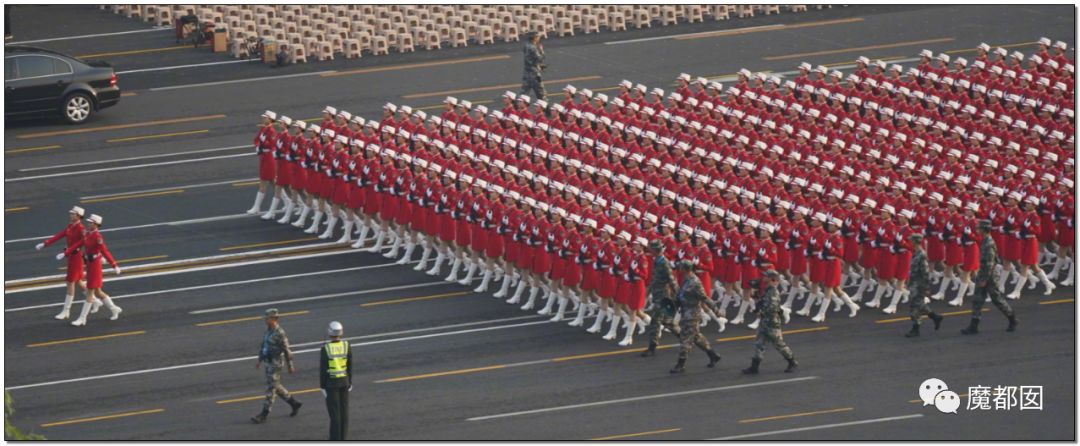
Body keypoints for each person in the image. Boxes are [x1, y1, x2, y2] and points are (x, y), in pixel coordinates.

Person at [60, 214, 122, 326]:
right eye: (89, 222)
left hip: (95, 266)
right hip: (89, 264)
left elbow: (105, 251)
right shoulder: (87, 234)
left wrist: (114, 265)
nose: (89, 224)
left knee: (90, 291)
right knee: (98, 291)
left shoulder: (98, 237)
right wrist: (66, 252)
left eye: (91, 223)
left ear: (97, 225)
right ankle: (114, 309)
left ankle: (82, 318)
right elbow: (78, 244)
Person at [961, 220, 1018, 334]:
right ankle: (974, 325)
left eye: (979, 228)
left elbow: (990, 263)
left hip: (989, 275)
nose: (977, 230)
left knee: (997, 299)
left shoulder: (989, 243)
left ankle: (1012, 319)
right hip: (983, 273)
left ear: (984, 229)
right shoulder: (985, 240)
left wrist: (984, 279)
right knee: (977, 300)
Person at [36, 206, 89, 320]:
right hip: (71, 256)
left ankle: (66, 311)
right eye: (71, 214)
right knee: (79, 281)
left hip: (76, 257)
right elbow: (60, 235)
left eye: (73, 214)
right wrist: (45, 243)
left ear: (79, 216)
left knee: (70, 282)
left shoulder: (81, 228)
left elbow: (81, 243)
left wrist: (66, 252)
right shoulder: (71, 225)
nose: (70, 215)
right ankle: (94, 300)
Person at [669, 260, 722, 373]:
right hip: (685, 311)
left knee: (685, 338)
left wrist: (716, 310)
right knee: (696, 337)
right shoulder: (686, 279)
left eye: (681, 267)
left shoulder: (695, 282)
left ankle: (681, 363)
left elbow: (705, 298)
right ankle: (713, 355)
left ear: (686, 269)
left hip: (692, 314)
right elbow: (682, 294)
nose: (679, 269)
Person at [252, 308, 302, 424]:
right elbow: (264, 345)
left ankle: (264, 414)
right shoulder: (268, 330)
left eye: (267, 318)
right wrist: (260, 359)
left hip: (276, 364)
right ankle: (294, 403)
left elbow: (287, 350)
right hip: (268, 362)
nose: (265, 320)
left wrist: (290, 365)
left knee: (271, 388)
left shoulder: (280, 333)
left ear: (274, 319)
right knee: (276, 386)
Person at [743, 270, 798, 374]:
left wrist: (761, 312)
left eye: (766, 276)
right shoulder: (767, 290)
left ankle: (792, 361)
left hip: (772, 323)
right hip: (765, 322)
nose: (763, 277)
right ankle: (754, 367)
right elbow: (762, 303)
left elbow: (772, 308)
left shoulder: (773, 292)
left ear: (772, 280)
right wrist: (755, 296)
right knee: (759, 344)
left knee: (779, 345)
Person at [641, 239, 680, 357]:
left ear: (655, 250)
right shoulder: (657, 261)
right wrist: (648, 291)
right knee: (667, 322)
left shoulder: (663, 263)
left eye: (651, 249)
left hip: (663, 296)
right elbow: (655, 279)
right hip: (658, 294)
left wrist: (679, 295)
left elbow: (671, 280)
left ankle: (652, 347)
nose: (649, 251)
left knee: (655, 321)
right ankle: (686, 337)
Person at [905, 233, 944, 338]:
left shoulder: (921, 255)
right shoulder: (916, 253)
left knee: (914, 306)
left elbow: (925, 272)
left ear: (915, 241)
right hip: (914, 283)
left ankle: (916, 328)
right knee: (919, 304)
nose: (909, 242)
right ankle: (935, 317)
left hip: (919, 285)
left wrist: (926, 287)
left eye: (911, 240)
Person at [320, 321, 353, 440]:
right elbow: (349, 365)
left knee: (335, 415)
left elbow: (323, 370)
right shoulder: (346, 345)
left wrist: (322, 386)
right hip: (344, 382)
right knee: (344, 412)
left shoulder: (326, 348)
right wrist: (350, 382)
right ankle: (343, 438)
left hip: (331, 384)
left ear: (330, 332)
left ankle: (335, 439)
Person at [520, 32, 547, 101]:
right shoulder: (533, 48)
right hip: (534, 73)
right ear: (534, 38)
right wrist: (541, 50)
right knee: (541, 93)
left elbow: (529, 59)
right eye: (538, 37)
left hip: (526, 71)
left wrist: (538, 65)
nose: (539, 38)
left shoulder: (526, 45)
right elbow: (540, 58)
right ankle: (544, 108)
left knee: (524, 93)